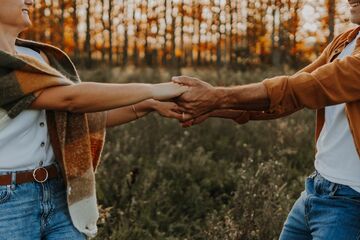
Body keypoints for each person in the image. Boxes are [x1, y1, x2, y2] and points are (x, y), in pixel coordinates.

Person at [0, 0, 187, 239]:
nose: (31, 1)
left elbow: (78, 118)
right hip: (6, 202)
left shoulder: (40, 58)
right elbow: (71, 99)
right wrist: (154, 89)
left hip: (60, 194)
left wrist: (146, 105)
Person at [173, 1, 360, 239]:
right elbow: (288, 97)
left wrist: (217, 97)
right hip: (317, 188)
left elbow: (303, 88)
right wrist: (216, 106)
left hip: (352, 202)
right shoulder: (346, 40)